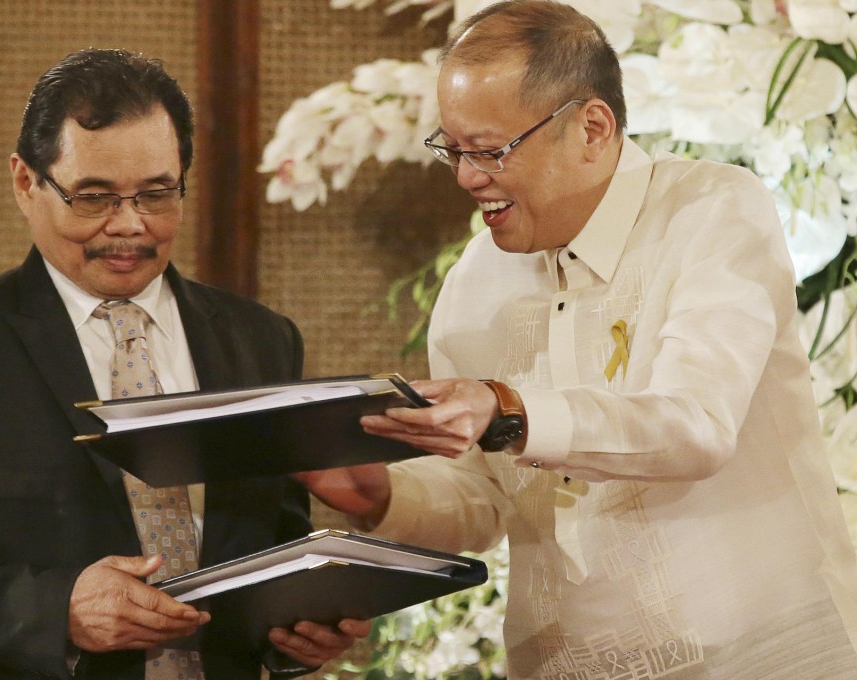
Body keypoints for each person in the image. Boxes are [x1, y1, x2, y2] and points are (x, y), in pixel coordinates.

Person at [301, 2, 857, 678]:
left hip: (761, 649)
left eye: (491, 150)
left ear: (592, 127)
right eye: (453, 149)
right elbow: (486, 501)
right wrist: (377, 496)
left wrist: (509, 408)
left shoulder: (712, 210)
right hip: (563, 660)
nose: (467, 178)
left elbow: (697, 425)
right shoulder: (476, 282)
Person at [0, 48, 368, 680]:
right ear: (26, 182)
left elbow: (275, 540)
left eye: (157, 194)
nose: (129, 225)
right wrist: (58, 610)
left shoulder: (261, 340)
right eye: (94, 196)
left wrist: (296, 632)